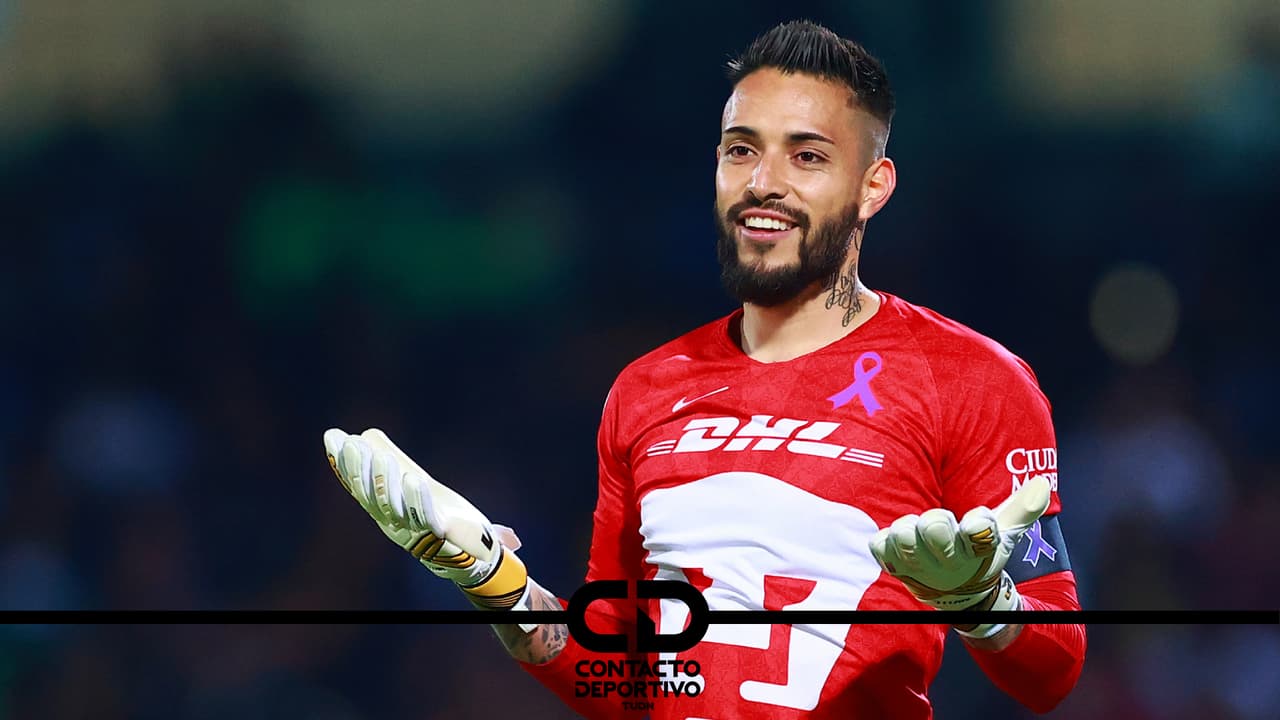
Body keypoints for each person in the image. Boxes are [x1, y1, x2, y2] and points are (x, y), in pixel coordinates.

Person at [324, 20, 1086, 719]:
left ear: (872, 187)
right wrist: (495, 581)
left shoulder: (973, 379)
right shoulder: (646, 388)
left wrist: (983, 604)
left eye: (808, 156)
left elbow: (1053, 671)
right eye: (742, 150)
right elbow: (622, 677)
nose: (763, 182)